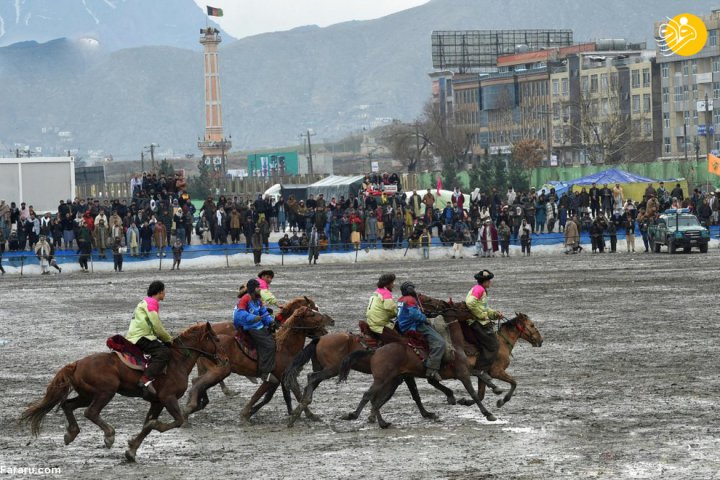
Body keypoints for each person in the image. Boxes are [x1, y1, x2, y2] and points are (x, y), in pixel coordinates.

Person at [126, 281, 173, 397]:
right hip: (141, 337)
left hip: (136, 335)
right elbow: (156, 325)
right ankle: (145, 379)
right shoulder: (152, 303)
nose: (165, 294)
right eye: (164, 291)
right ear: (160, 291)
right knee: (164, 352)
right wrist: (168, 339)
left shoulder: (145, 302)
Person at [396, 282, 445, 382]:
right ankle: (432, 369)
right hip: (414, 326)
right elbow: (414, 315)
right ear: (410, 290)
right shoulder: (410, 299)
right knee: (440, 342)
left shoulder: (400, 299)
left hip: (402, 326)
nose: (415, 291)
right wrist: (425, 318)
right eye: (413, 289)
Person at [233, 279, 278, 383]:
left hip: (259, 325)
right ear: (253, 289)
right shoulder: (245, 299)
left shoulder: (258, 300)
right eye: (258, 288)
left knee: (274, 338)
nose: (260, 290)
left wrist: (270, 322)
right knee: (269, 345)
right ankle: (265, 373)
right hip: (250, 327)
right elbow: (240, 314)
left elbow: (264, 312)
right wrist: (253, 318)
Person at [465, 270, 503, 393]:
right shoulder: (479, 289)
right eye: (489, 280)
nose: (490, 282)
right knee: (494, 345)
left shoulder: (480, 289)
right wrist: (482, 316)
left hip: (479, 321)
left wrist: (494, 314)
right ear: (485, 281)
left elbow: (484, 307)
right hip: (478, 323)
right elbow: (470, 303)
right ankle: (480, 369)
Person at [366, 273, 399, 344]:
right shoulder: (386, 293)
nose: (393, 285)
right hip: (380, 323)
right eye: (392, 283)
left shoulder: (376, 291)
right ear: (387, 284)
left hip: (371, 321)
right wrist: (397, 313)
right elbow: (390, 308)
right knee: (399, 340)